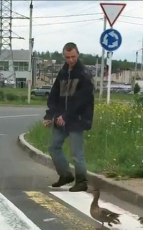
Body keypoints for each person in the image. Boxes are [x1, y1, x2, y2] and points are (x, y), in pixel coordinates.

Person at [44, 42, 95, 192]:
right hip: (61, 118)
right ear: (64, 56)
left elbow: (83, 99)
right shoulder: (63, 73)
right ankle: (65, 175)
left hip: (77, 119)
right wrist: (50, 115)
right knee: (53, 147)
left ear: (78, 54)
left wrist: (67, 115)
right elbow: (54, 95)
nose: (71, 60)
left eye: (73, 56)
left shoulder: (84, 74)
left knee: (76, 152)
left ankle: (81, 181)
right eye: (67, 57)